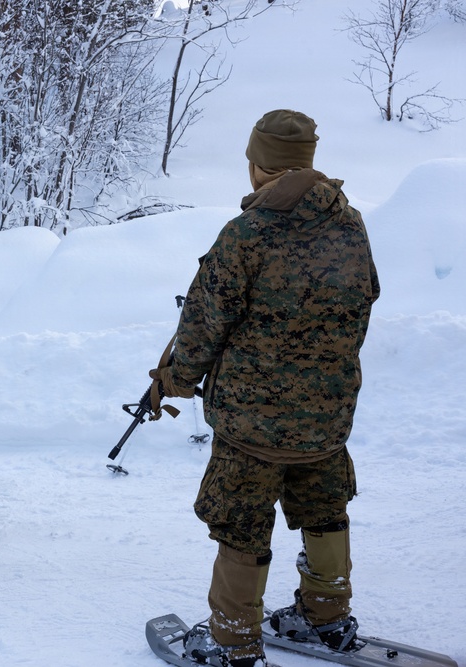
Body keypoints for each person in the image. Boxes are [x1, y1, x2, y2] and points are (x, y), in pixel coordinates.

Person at [149, 109, 379, 667]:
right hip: (325, 418)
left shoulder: (246, 234)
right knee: (325, 512)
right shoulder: (349, 224)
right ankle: (328, 618)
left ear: (259, 166)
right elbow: (363, 302)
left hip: (251, 425)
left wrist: (172, 381)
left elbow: (203, 324)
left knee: (242, 525)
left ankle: (232, 643)